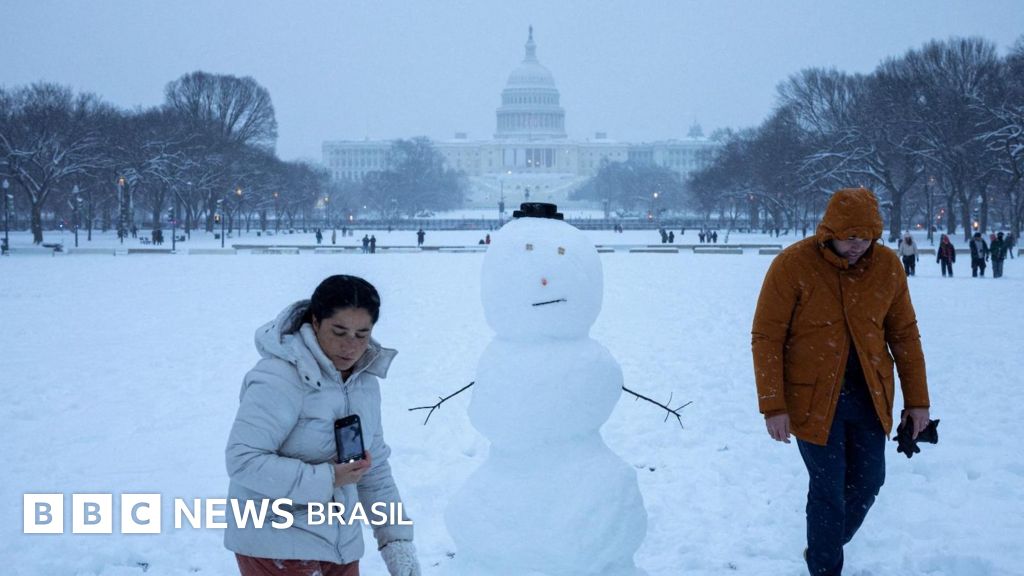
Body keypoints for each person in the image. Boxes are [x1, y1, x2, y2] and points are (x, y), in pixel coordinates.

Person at [751, 188, 931, 576]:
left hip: (870, 398)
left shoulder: (887, 266)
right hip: (812, 401)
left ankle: (822, 546)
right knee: (828, 491)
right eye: (850, 237)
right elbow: (767, 338)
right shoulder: (793, 265)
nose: (857, 246)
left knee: (869, 483)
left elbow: (904, 335)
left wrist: (918, 403)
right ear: (829, 230)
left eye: (866, 238)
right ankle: (825, 567)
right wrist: (773, 406)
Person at [225, 275, 421, 576]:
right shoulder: (278, 377)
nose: (350, 346)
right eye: (339, 331)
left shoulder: (363, 381)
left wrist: (398, 546)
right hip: (274, 543)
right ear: (315, 322)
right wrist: (328, 478)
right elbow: (243, 460)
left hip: (339, 544)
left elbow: (374, 468)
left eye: (362, 334)